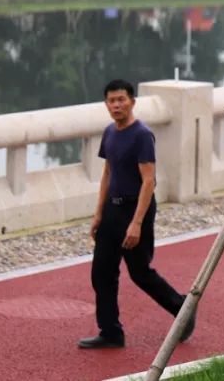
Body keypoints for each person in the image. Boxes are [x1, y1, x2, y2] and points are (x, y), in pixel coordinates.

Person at [78, 79, 195, 349]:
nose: (116, 105)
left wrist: (136, 223)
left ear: (132, 102)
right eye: (111, 100)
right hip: (112, 209)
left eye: (121, 99)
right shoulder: (109, 132)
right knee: (102, 273)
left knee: (140, 272)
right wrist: (98, 214)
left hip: (135, 209)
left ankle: (183, 309)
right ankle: (110, 332)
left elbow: (148, 181)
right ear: (106, 104)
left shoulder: (142, 135)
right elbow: (108, 173)